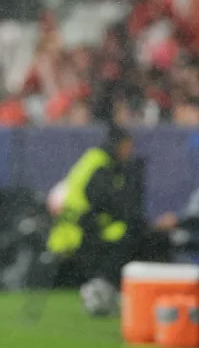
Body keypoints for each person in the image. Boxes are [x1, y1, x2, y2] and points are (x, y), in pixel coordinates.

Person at [47, 125, 169, 314]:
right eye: (128, 147)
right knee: (135, 235)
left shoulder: (93, 160)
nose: (129, 152)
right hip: (77, 235)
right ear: (119, 145)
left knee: (133, 231)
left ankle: (113, 288)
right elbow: (113, 204)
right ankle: (107, 288)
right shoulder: (100, 167)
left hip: (75, 231)